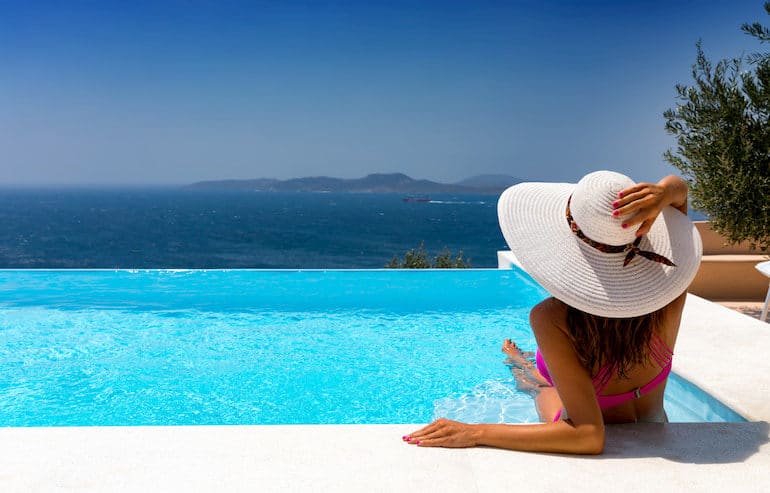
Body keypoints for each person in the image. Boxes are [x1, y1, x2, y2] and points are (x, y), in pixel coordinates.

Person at [403, 170, 702, 454]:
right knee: (545, 378)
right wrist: (663, 192)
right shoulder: (671, 292)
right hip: (654, 422)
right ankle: (525, 364)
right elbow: (679, 194)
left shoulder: (553, 318)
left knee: (540, 389)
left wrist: (475, 432)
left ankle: (522, 365)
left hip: (573, 423)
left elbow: (588, 435)